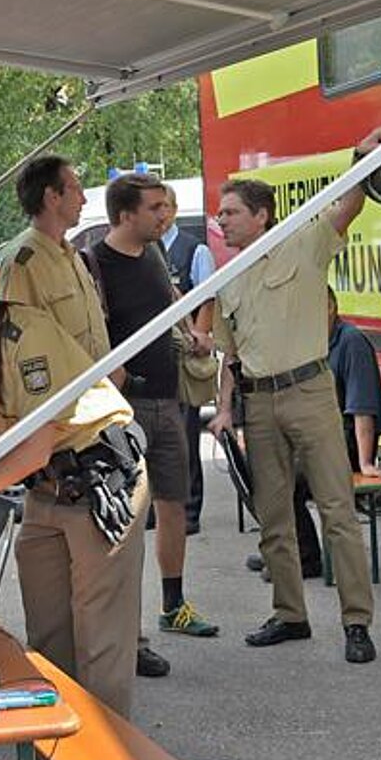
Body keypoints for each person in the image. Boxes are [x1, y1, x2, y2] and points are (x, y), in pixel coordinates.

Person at [0, 254, 149, 717]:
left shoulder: (28, 335)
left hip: (98, 481)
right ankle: (56, 741)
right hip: (47, 487)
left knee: (100, 639)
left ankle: (107, 749)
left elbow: (34, 448)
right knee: (48, 631)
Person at [209, 123, 381, 663]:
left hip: (308, 390)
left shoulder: (302, 242)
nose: (221, 219)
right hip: (258, 401)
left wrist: (360, 159)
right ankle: (290, 614)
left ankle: (356, 622)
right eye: (220, 213)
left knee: (337, 510)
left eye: (231, 212)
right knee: (273, 516)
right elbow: (230, 356)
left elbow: (347, 207)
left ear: (261, 215)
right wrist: (224, 409)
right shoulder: (227, 279)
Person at [0, 154, 170, 678]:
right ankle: (76, 717)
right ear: (51, 196)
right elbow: (20, 355)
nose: (84, 197)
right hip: (64, 441)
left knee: (103, 613)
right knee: (63, 621)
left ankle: (105, 700)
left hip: (102, 426)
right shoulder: (25, 261)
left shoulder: (72, 255)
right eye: (74, 188)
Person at [88, 173, 218, 639]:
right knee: (125, 517)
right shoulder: (95, 264)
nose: (166, 215)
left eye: (166, 206)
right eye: (155, 208)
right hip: (124, 408)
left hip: (169, 398)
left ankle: (173, 605)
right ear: (126, 215)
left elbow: (170, 299)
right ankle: (129, 626)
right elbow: (88, 332)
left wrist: (192, 332)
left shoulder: (156, 252)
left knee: (173, 503)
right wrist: (117, 376)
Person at [252, 286, 381, 580]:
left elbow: (363, 410)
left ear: (329, 308)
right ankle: (281, 549)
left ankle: (305, 558)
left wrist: (365, 463)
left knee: (285, 479)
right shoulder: (310, 344)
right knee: (260, 466)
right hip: (315, 436)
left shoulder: (351, 342)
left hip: (342, 443)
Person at [153, 189, 218, 534]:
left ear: (175, 210)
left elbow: (207, 297)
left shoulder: (195, 250)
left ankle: (189, 510)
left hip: (184, 354)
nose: (159, 214)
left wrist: (199, 337)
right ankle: (156, 508)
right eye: (153, 208)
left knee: (185, 436)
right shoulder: (144, 248)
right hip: (154, 357)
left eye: (164, 207)